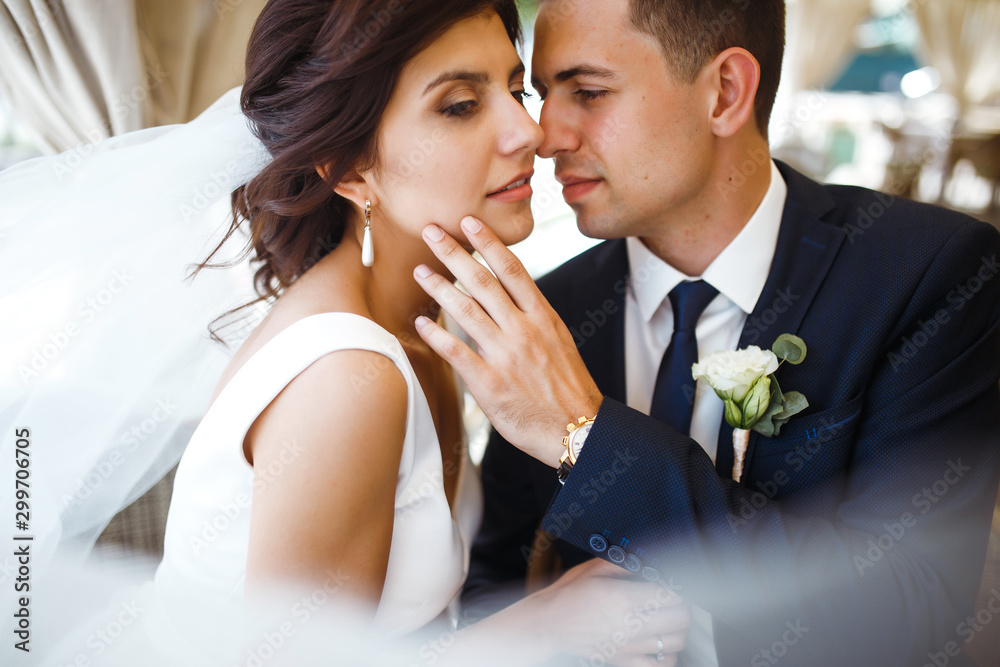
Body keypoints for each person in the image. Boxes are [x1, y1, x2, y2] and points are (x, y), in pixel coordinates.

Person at [0, 1, 693, 666]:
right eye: (460, 104)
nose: (528, 132)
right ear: (350, 169)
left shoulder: (419, 316)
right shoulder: (346, 376)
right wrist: (541, 625)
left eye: (515, 88)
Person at [411, 0, 1000, 665]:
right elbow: (500, 577)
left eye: (589, 92)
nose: (546, 137)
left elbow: (912, 613)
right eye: (542, 94)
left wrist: (586, 432)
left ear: (724, 92)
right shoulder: (553, 311)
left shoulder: (927, 275)